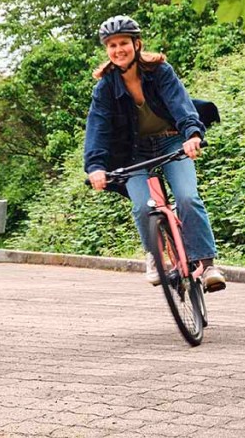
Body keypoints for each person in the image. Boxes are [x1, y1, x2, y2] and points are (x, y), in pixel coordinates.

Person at [84, 15, 226, 292]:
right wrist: (95, 166)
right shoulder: (105, 88)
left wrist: (192, 135)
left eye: (123, 42)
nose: (118, 50)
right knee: (142, 206)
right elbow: (97, 128)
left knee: (187, 197)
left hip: (172, 142)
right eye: (111, 45)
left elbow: (180, 104)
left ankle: (208, 265)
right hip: (134, 153)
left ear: (137, 44)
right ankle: (156, 256)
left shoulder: (160, 72)